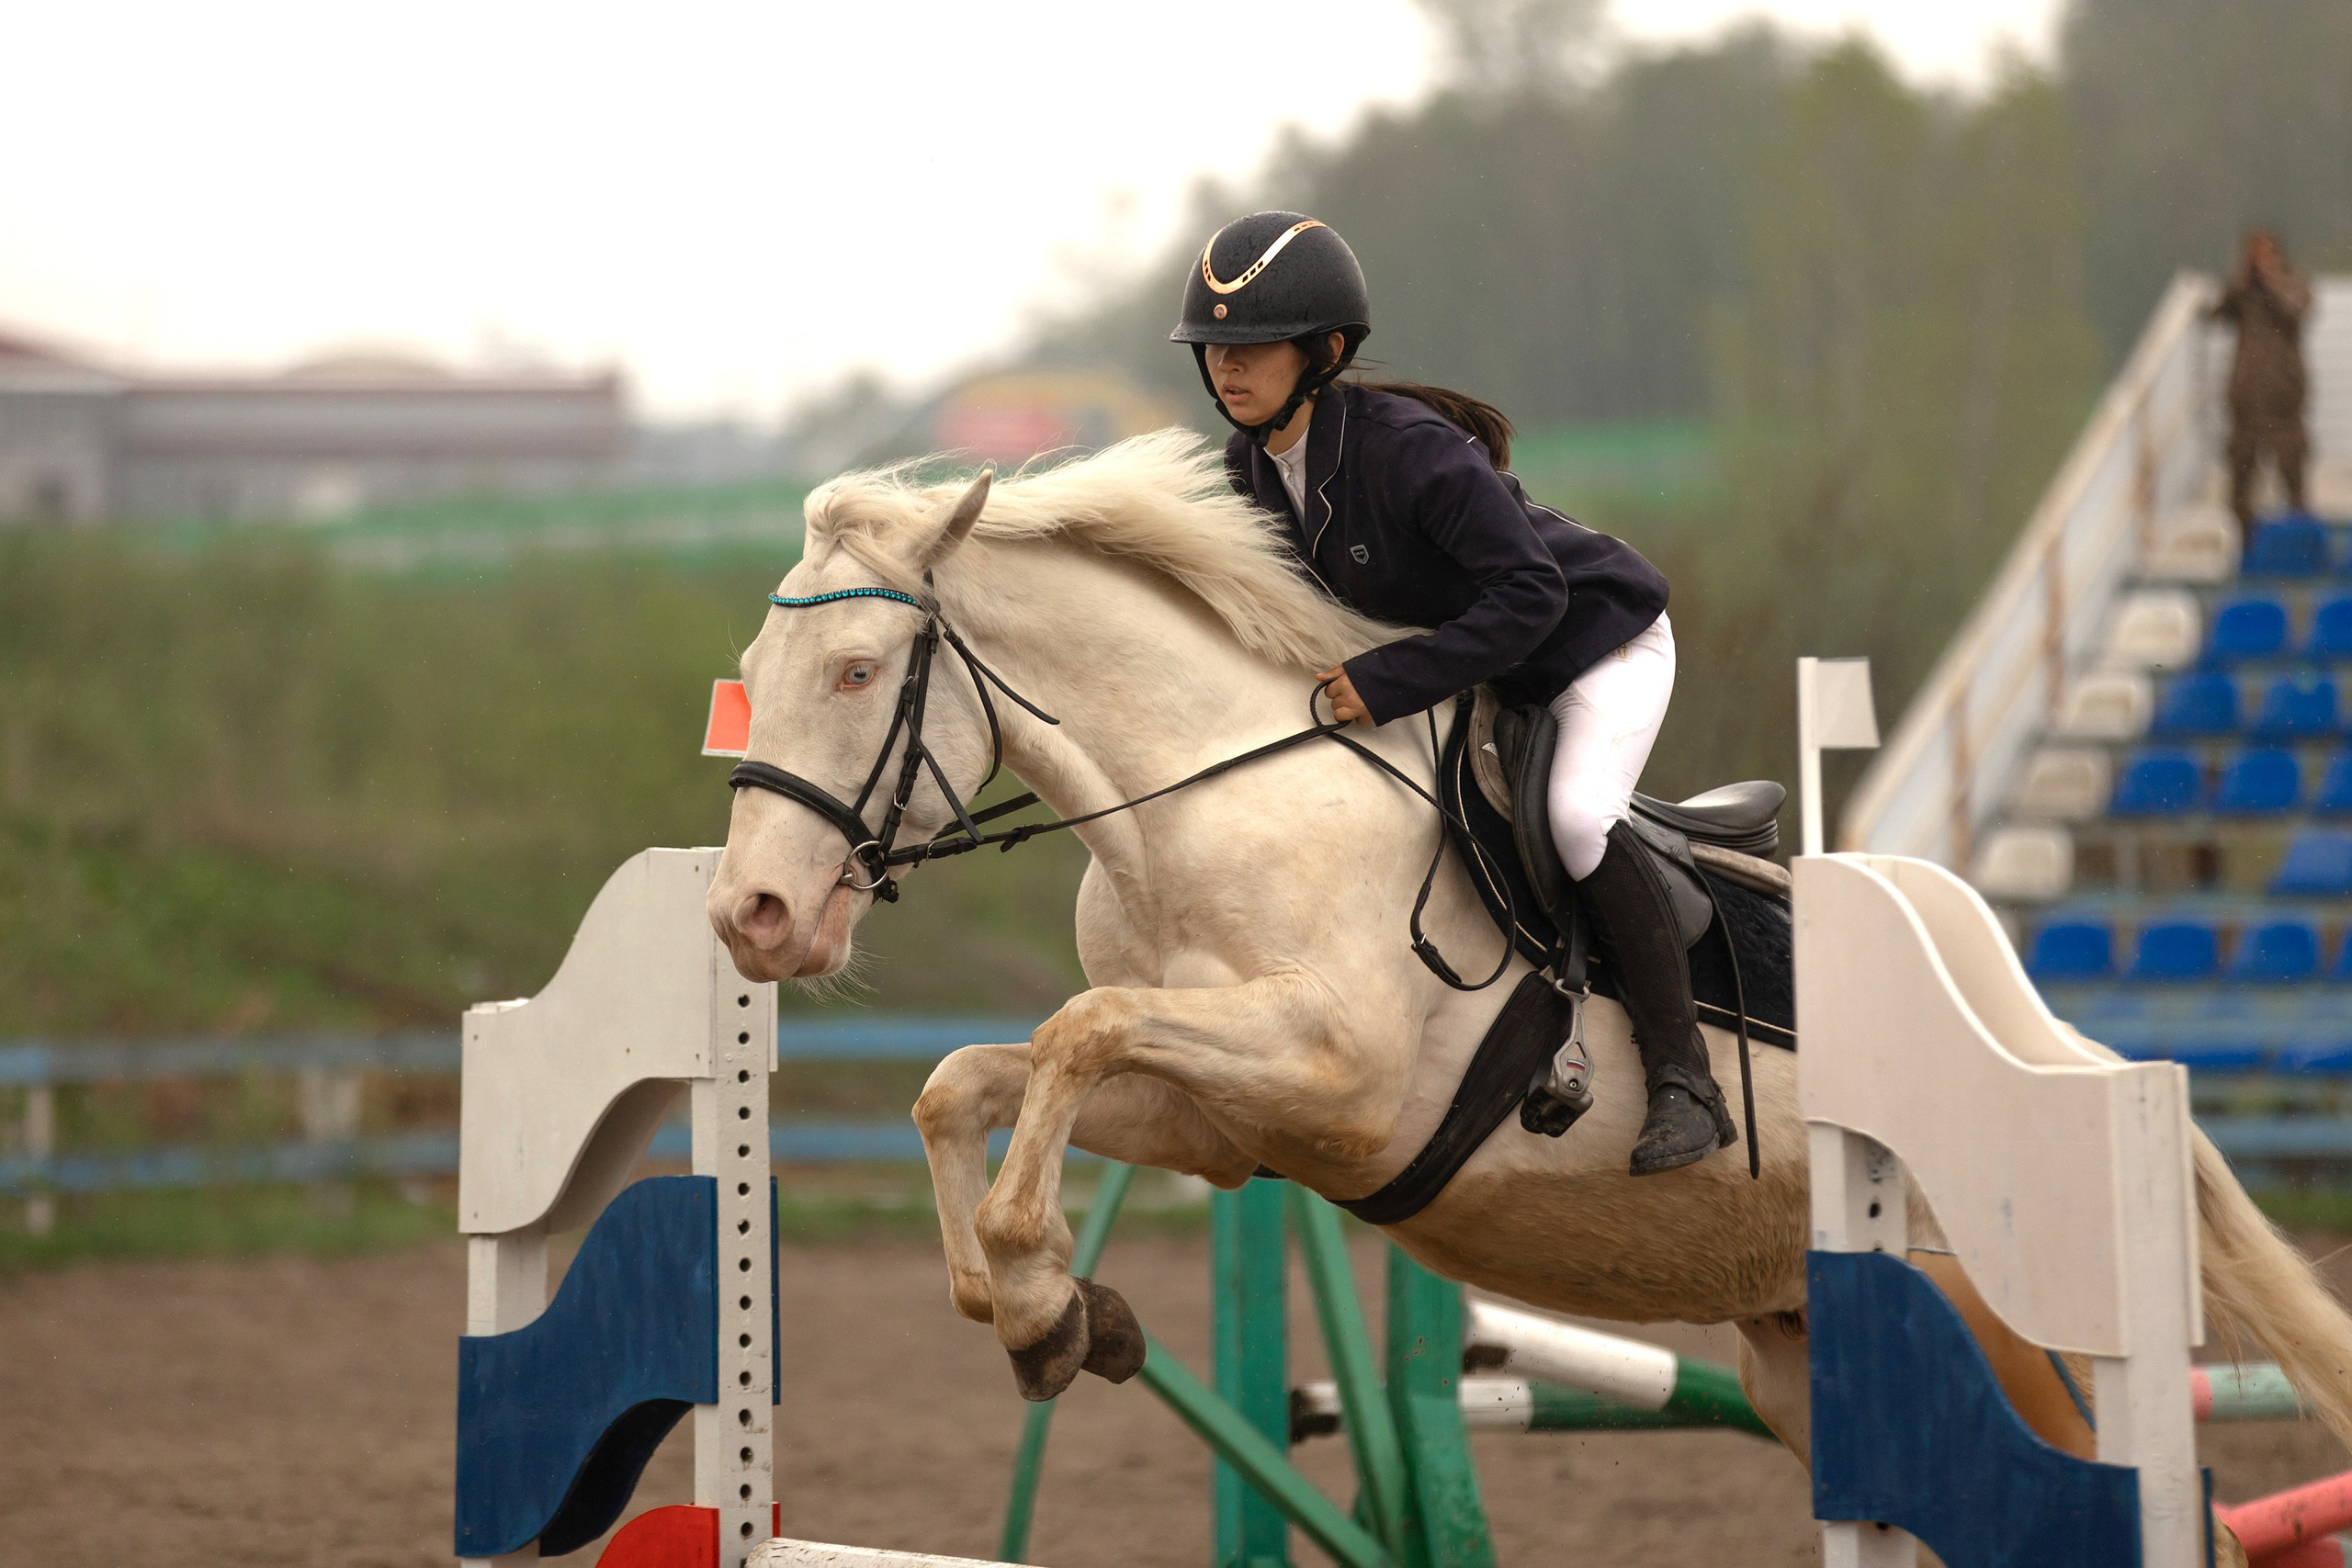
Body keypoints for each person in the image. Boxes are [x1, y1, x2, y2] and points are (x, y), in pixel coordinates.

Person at [1170, 209, 1730, 1177]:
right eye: (1215, 347)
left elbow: (1534, 592)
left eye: (1252, 346)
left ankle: (1686, 1079)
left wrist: (1384, 683)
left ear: (1324, 351)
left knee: (1577, 820)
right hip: (1478, 670)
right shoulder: (1248, 468)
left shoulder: (1404, 448)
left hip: (1594, 646)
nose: (1227, 366)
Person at [2212, 229, 2313, 535]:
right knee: (2241, 481)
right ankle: (2247, 541)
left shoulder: (2293, 283)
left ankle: (2299, 542)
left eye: (2268, 256)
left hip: (2284, 399)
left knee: (2292, 473)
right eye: (2257, 257)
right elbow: (2219, 313)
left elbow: (2297, 312)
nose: (2262, 263)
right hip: (2247, 402)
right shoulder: (2244, 294)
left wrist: (2273, 284)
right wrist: (2243, 282)